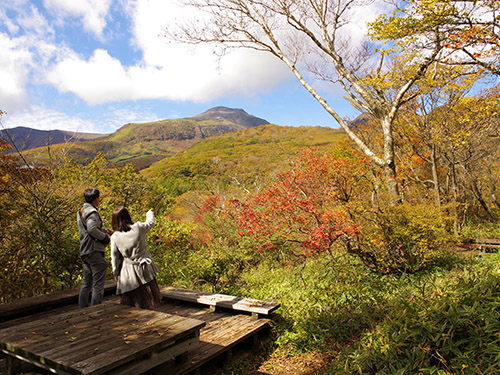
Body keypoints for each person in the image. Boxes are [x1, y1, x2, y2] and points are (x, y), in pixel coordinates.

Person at [110, 207, 161, 309]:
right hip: (145, 270)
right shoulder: (138, 228)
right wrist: (149, 213)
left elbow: (115, 258)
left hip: (129, 274)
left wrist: (117, 275)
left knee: (132, 304)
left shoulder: (115, 237)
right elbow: (150, 222)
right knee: (150, 300)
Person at [77, 188, 111, 308]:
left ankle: (83, 309)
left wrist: (102, 230)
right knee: (98, 284)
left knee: (86, 283)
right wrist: (105, 238)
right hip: (94, 250)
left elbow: (88, 229)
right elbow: (91, 229)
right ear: (96, 199)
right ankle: (96, 310)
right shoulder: (92, 212)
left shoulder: (82, 211)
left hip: (85, 251)